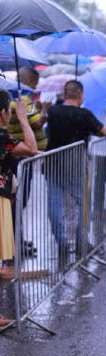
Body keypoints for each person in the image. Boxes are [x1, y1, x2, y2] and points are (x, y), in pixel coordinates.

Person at [46, 81, 106, 263]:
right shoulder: (85, 115)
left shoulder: (53, 111)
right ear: (80, 94)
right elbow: (105, 132)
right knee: (82, 204)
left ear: (65, 94)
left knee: (54, 205)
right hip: (76, 165)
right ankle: (81, 243)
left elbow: (44, 124)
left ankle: (62, 244)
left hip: (52, 164)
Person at [0, 90, 38, 286]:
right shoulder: (1, 135)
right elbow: (31, 148)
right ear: (3, 113)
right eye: (8, 111)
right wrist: (24, 119)